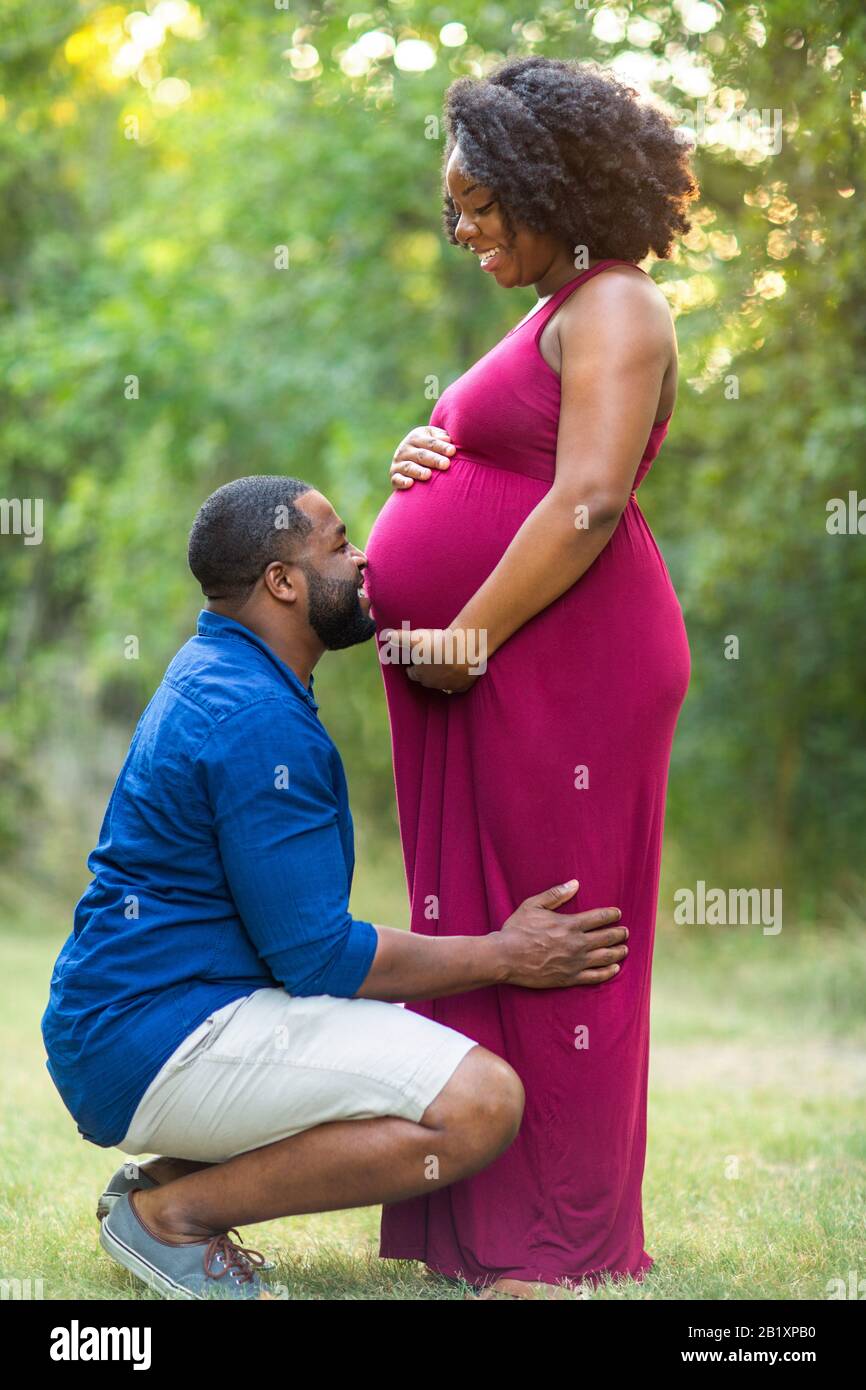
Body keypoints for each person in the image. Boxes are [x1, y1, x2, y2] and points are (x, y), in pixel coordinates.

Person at [40, 475, 627, 1301]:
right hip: (152, 1036)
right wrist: (506, 953)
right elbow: (319, 956)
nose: (366, 562)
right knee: (479, 1103)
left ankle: (163, 1182)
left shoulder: (228, 666)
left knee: (408, 1044)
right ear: (283, 582)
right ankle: (171, 1218)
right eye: (342, 544)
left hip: (138, 1023)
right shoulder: (254, 716)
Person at [364, 56, 695, 1297]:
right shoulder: (554, 306)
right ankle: (480, 1223)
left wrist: (472, 633)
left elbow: (592, 497)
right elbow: (518, 455)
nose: (462, 229)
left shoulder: (618, 305)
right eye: (452, 209)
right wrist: (426, 449)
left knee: (565, 932)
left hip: (568, 666)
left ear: (547, 185)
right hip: (506, 659)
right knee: (497, 926)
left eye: (479, 204)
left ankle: (555, 1247)